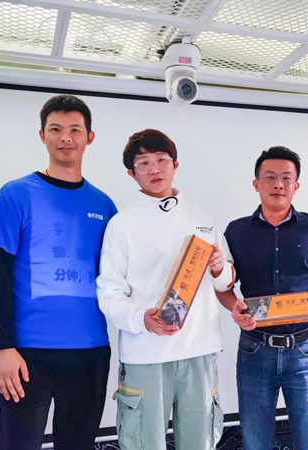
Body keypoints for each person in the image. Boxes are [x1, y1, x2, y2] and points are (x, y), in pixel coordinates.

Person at [0, 94, 117, 450]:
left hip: (90, 352)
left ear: (89, 137)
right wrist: (2, 347)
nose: (65, 137)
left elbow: (118, 277)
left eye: (75, 130)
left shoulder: (104, 205)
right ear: (42, 136)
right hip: (27, 354)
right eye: (55, 129)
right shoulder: (15, 195)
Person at [97, 129, 234, 450]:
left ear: (175, 165)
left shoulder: (203, 218)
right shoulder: (122, 224)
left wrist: (219, 267)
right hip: (146, 353)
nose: (155, 169)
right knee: (144, 444)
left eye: (162, 160)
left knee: (200, 443)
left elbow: (226, 281)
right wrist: (142, 319)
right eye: (144, 163)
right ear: (132, 173)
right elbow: (109, 292)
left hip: (199, 349)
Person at [217, 146, 308, 450]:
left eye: (286, 178)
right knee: (255, 439)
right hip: (254, 348)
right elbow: (223, 286)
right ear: (256, 183)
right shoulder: (236, 231)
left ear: (296, 185)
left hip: (304, 349)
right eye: (270, 177)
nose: (278, 184)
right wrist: (234, 308)